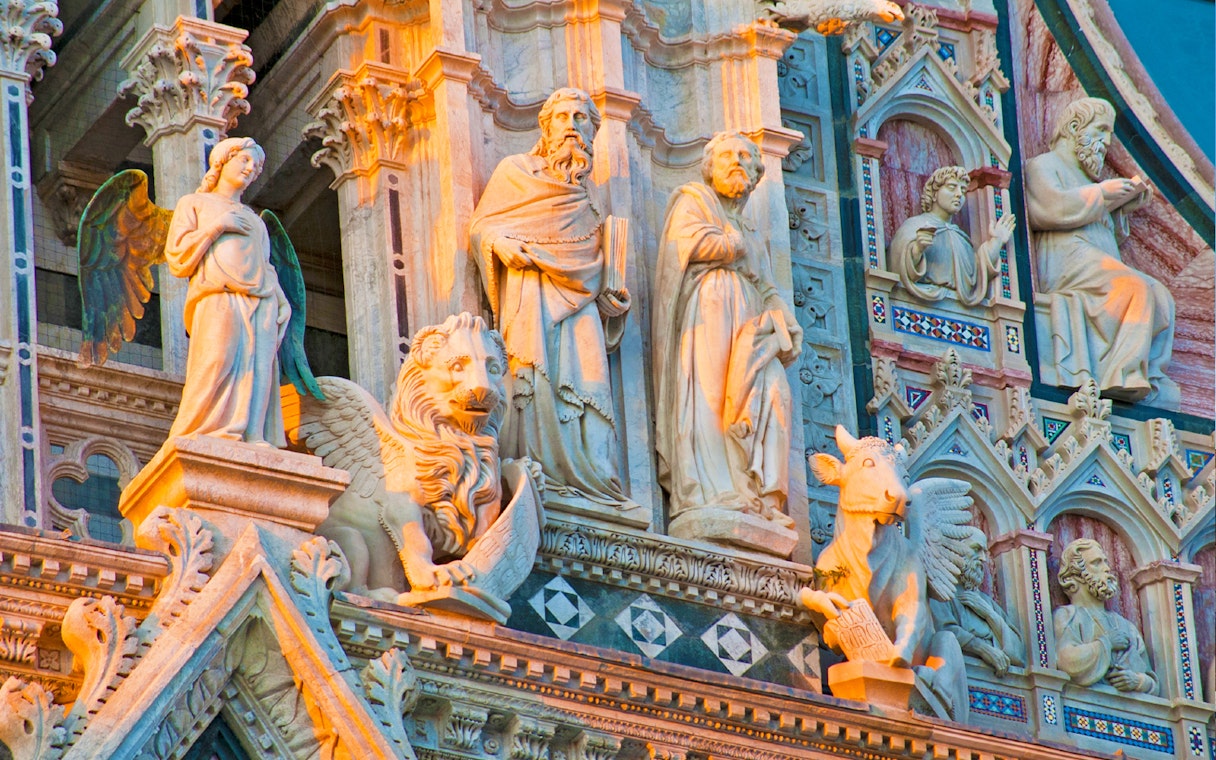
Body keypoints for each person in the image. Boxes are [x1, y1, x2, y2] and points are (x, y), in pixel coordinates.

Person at [468, 88, 638, 518]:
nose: (572, 126)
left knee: (589, 385)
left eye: (581, 118)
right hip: (531, 295)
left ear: (592, 132)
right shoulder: (516, 172)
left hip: (579, 313)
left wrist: (611, 304)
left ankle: (594, 482)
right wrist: (500, 243)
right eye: (562, 116)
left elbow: (594, 275)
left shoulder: (589, 201)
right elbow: (482, 228)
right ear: (546, 127)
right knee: (533, 380)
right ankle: (537, 472)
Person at [652, 131, 801, 547]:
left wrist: (785, 319)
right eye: (728, 156)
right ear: (709, 167)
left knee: (770, 395)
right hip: (708, 310)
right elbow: (685, 244)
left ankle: (753, 494)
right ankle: (710, 490)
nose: (737, 162)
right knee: (709, 397)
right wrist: (732, 243)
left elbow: (767, 284)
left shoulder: (752, 227)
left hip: (752, 324)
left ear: (756, 173)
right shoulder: (693, 200)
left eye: (746, 157)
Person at [1026, 97, 1177, 405]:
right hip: (1066, 261)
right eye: (1101, 130)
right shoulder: (1044, 165)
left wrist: (1120, 207)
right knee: (1133, 287)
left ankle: (1153, 376)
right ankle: (1122, 373)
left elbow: (1105, 231)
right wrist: (1102, 193)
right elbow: (1049, 209)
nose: (1107, 142)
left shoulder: (1086, 179)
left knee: (1161, 295)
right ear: (1073, 128)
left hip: (1094, 261)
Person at [165, 137, 291, 446]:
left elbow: (266, 265)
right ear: (223, 160)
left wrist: (282, 300)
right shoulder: (195, 204)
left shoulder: (253, 220)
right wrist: (216, 226)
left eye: (256, 167)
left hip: (261, 299)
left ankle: (254, 434)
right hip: (216, 296)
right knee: (216, 359)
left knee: (259, 366)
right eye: (245, 161)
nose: (251, 169)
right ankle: (192, 432)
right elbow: (177, 256)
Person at [889, 165, 1015, 306]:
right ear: (934, 193)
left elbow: (977, 273)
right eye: (951, 187)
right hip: (919, 309)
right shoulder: (915, 226)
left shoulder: (961, 238)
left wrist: (997, 240)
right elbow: (897, 266)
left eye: (962, 190)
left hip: (962, 316)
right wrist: (917, 249)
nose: (959, 194)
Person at [1053, 538, 1158, 694]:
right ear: (1077, 573)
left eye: (1105, 562)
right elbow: (1066, 661)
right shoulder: (1069, 615)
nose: (1107, 568)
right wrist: (1106, 643)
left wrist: (1137, 681)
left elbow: (1152, 683)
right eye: (1097, 563)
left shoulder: (1126, 626)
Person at [929, 533, 1025, 676]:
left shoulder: (987, 603)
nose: (983, 558)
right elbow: (944, 631)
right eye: (976, 549)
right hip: (956, 676)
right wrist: (983, 649)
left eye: (985, 552)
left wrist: (989, 614)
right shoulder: (941, 591)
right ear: (956, 550)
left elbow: (1017, 654)